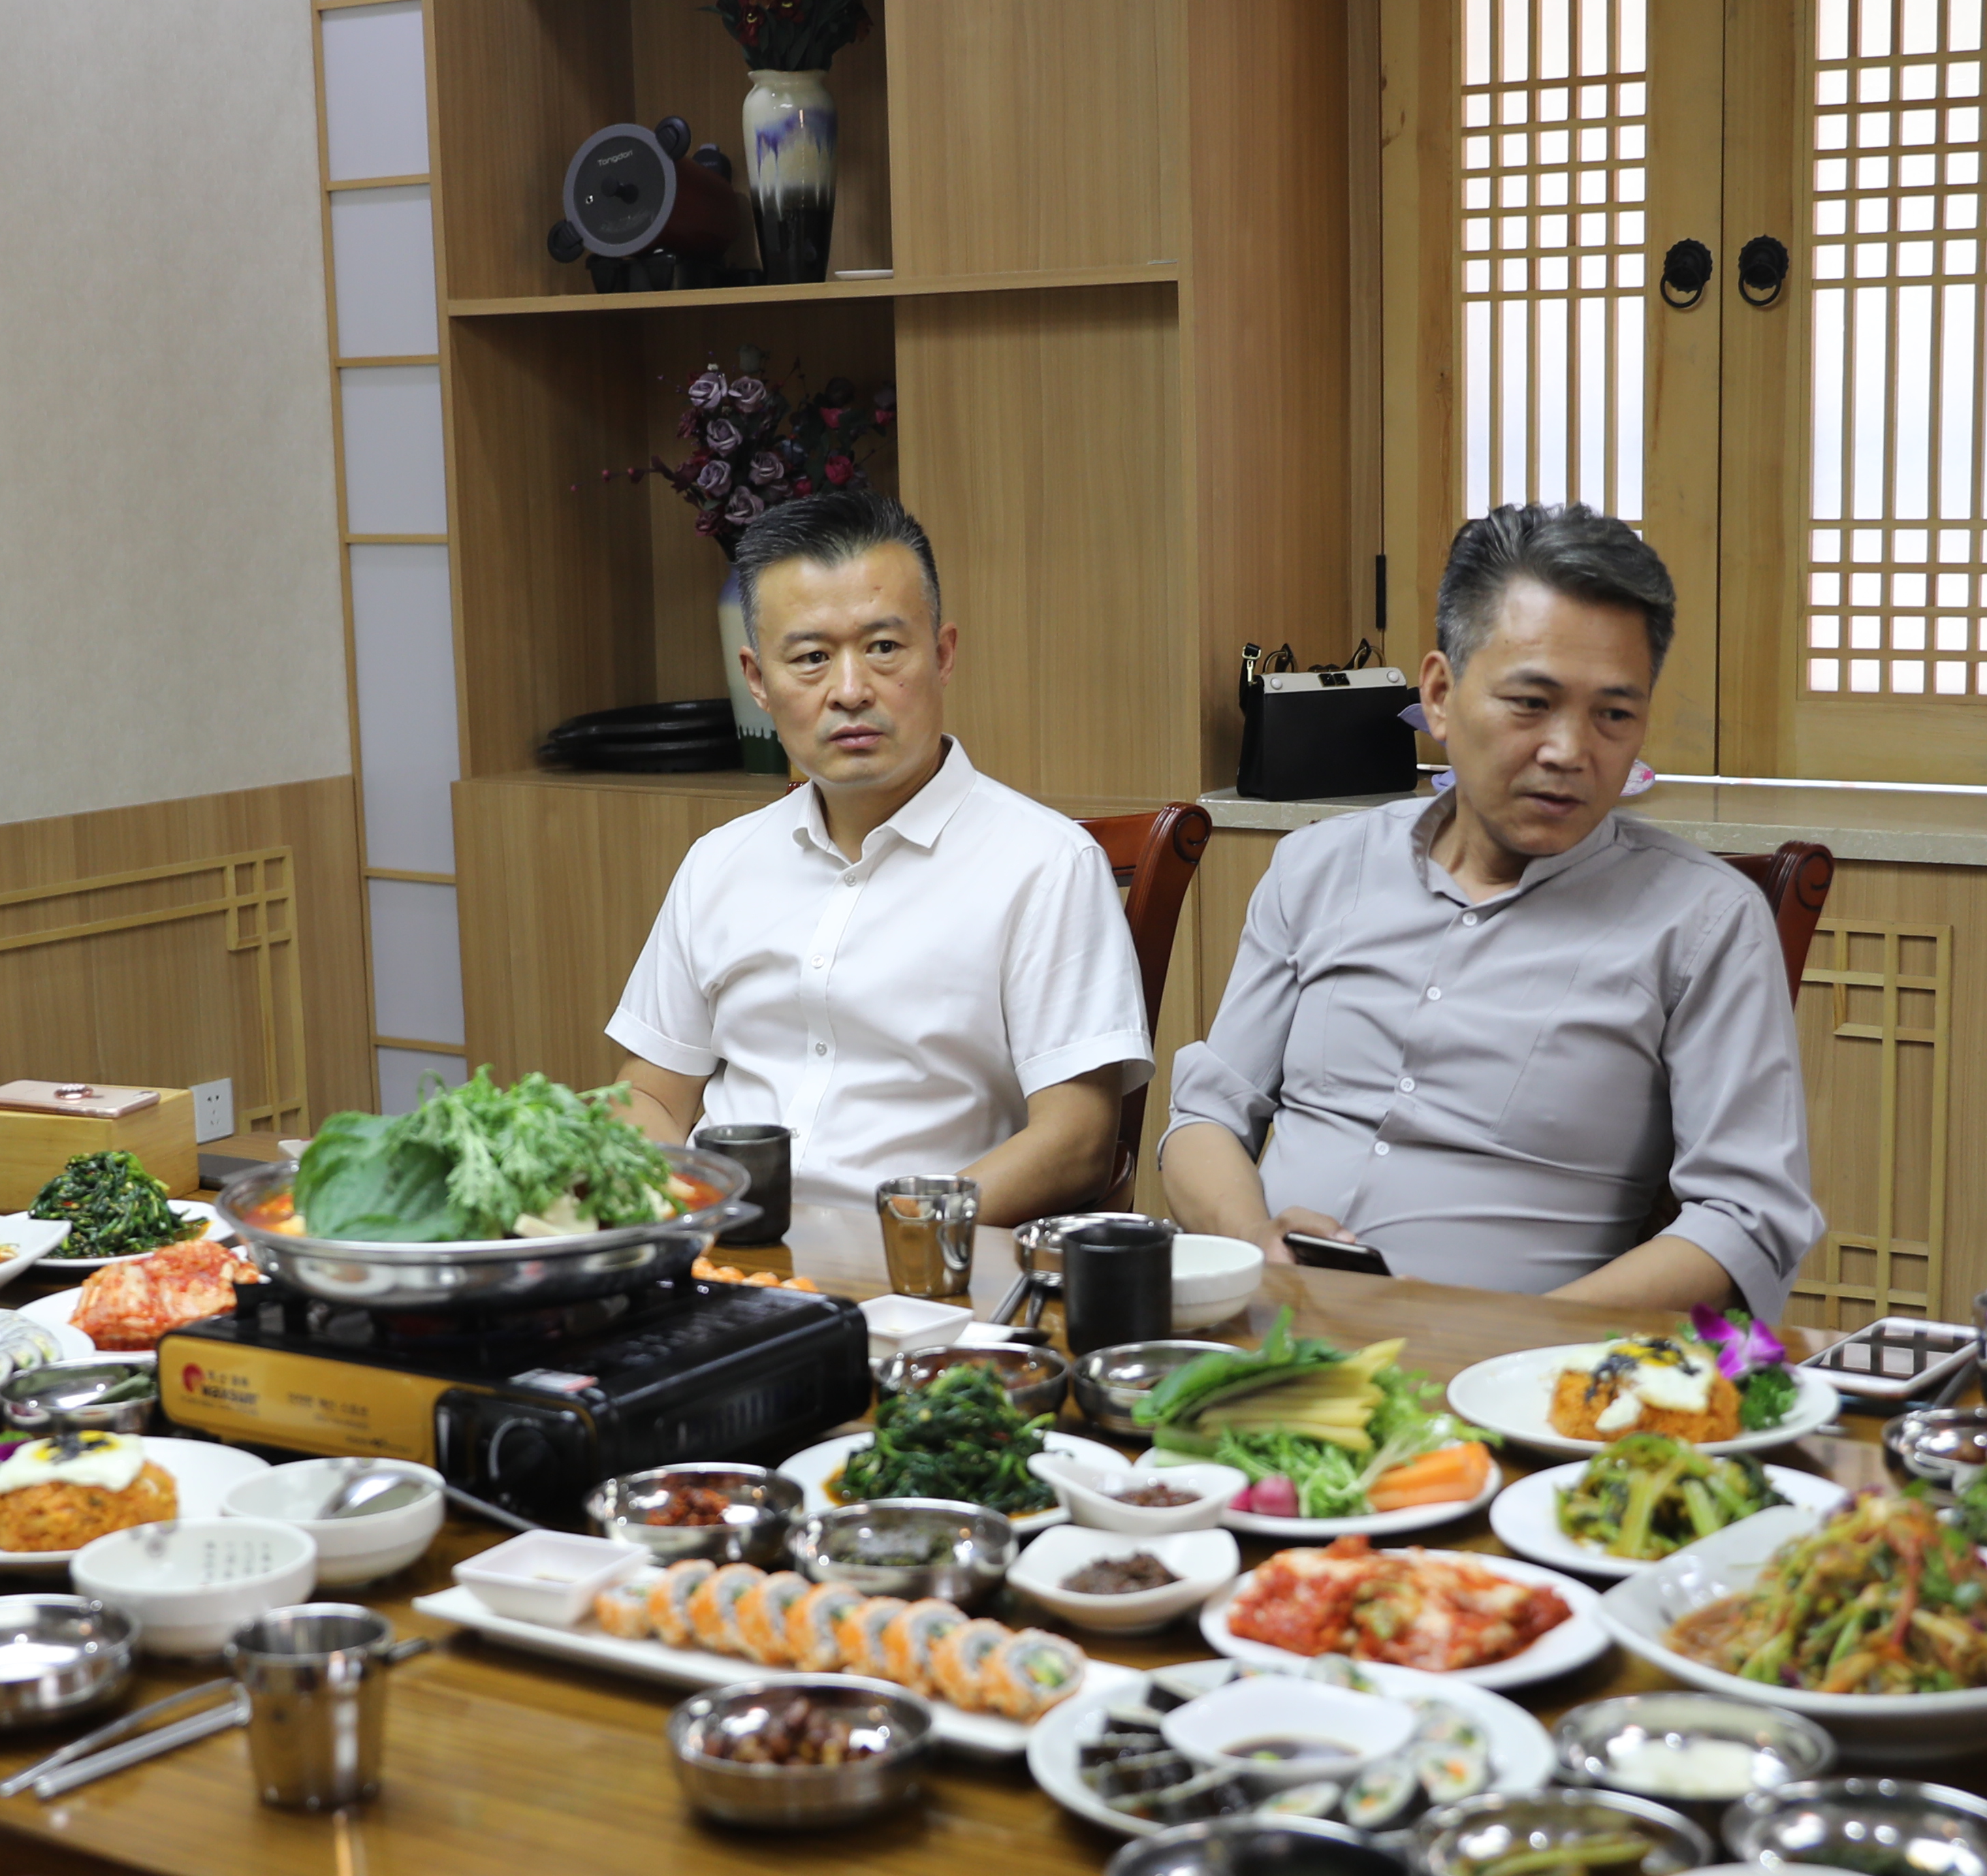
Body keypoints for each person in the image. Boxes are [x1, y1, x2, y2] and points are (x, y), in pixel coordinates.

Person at [1163, 505, 1817, 1308]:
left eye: (1615, 714)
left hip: (1514, 1370)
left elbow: (1747, 1217)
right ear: (1439, 695)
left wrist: (1506, 1342)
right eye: (1531, 702)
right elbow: (1206, 1115)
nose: (1569, 751)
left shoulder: (1706, 923)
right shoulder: (1320, 867)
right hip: (1265, 1332)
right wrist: (1252, 1242)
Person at [607, 490, 1152, 1231]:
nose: (851, 690)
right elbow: (651, 1095)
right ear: (757, 679)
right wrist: (676, 1215)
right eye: (811, 658)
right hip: (721, 1249)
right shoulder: (719, 862)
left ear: (944, 654)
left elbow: (1077, 1143)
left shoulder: (1046, 866)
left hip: (920, 1264)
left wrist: (897, 1235)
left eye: (885, 648)